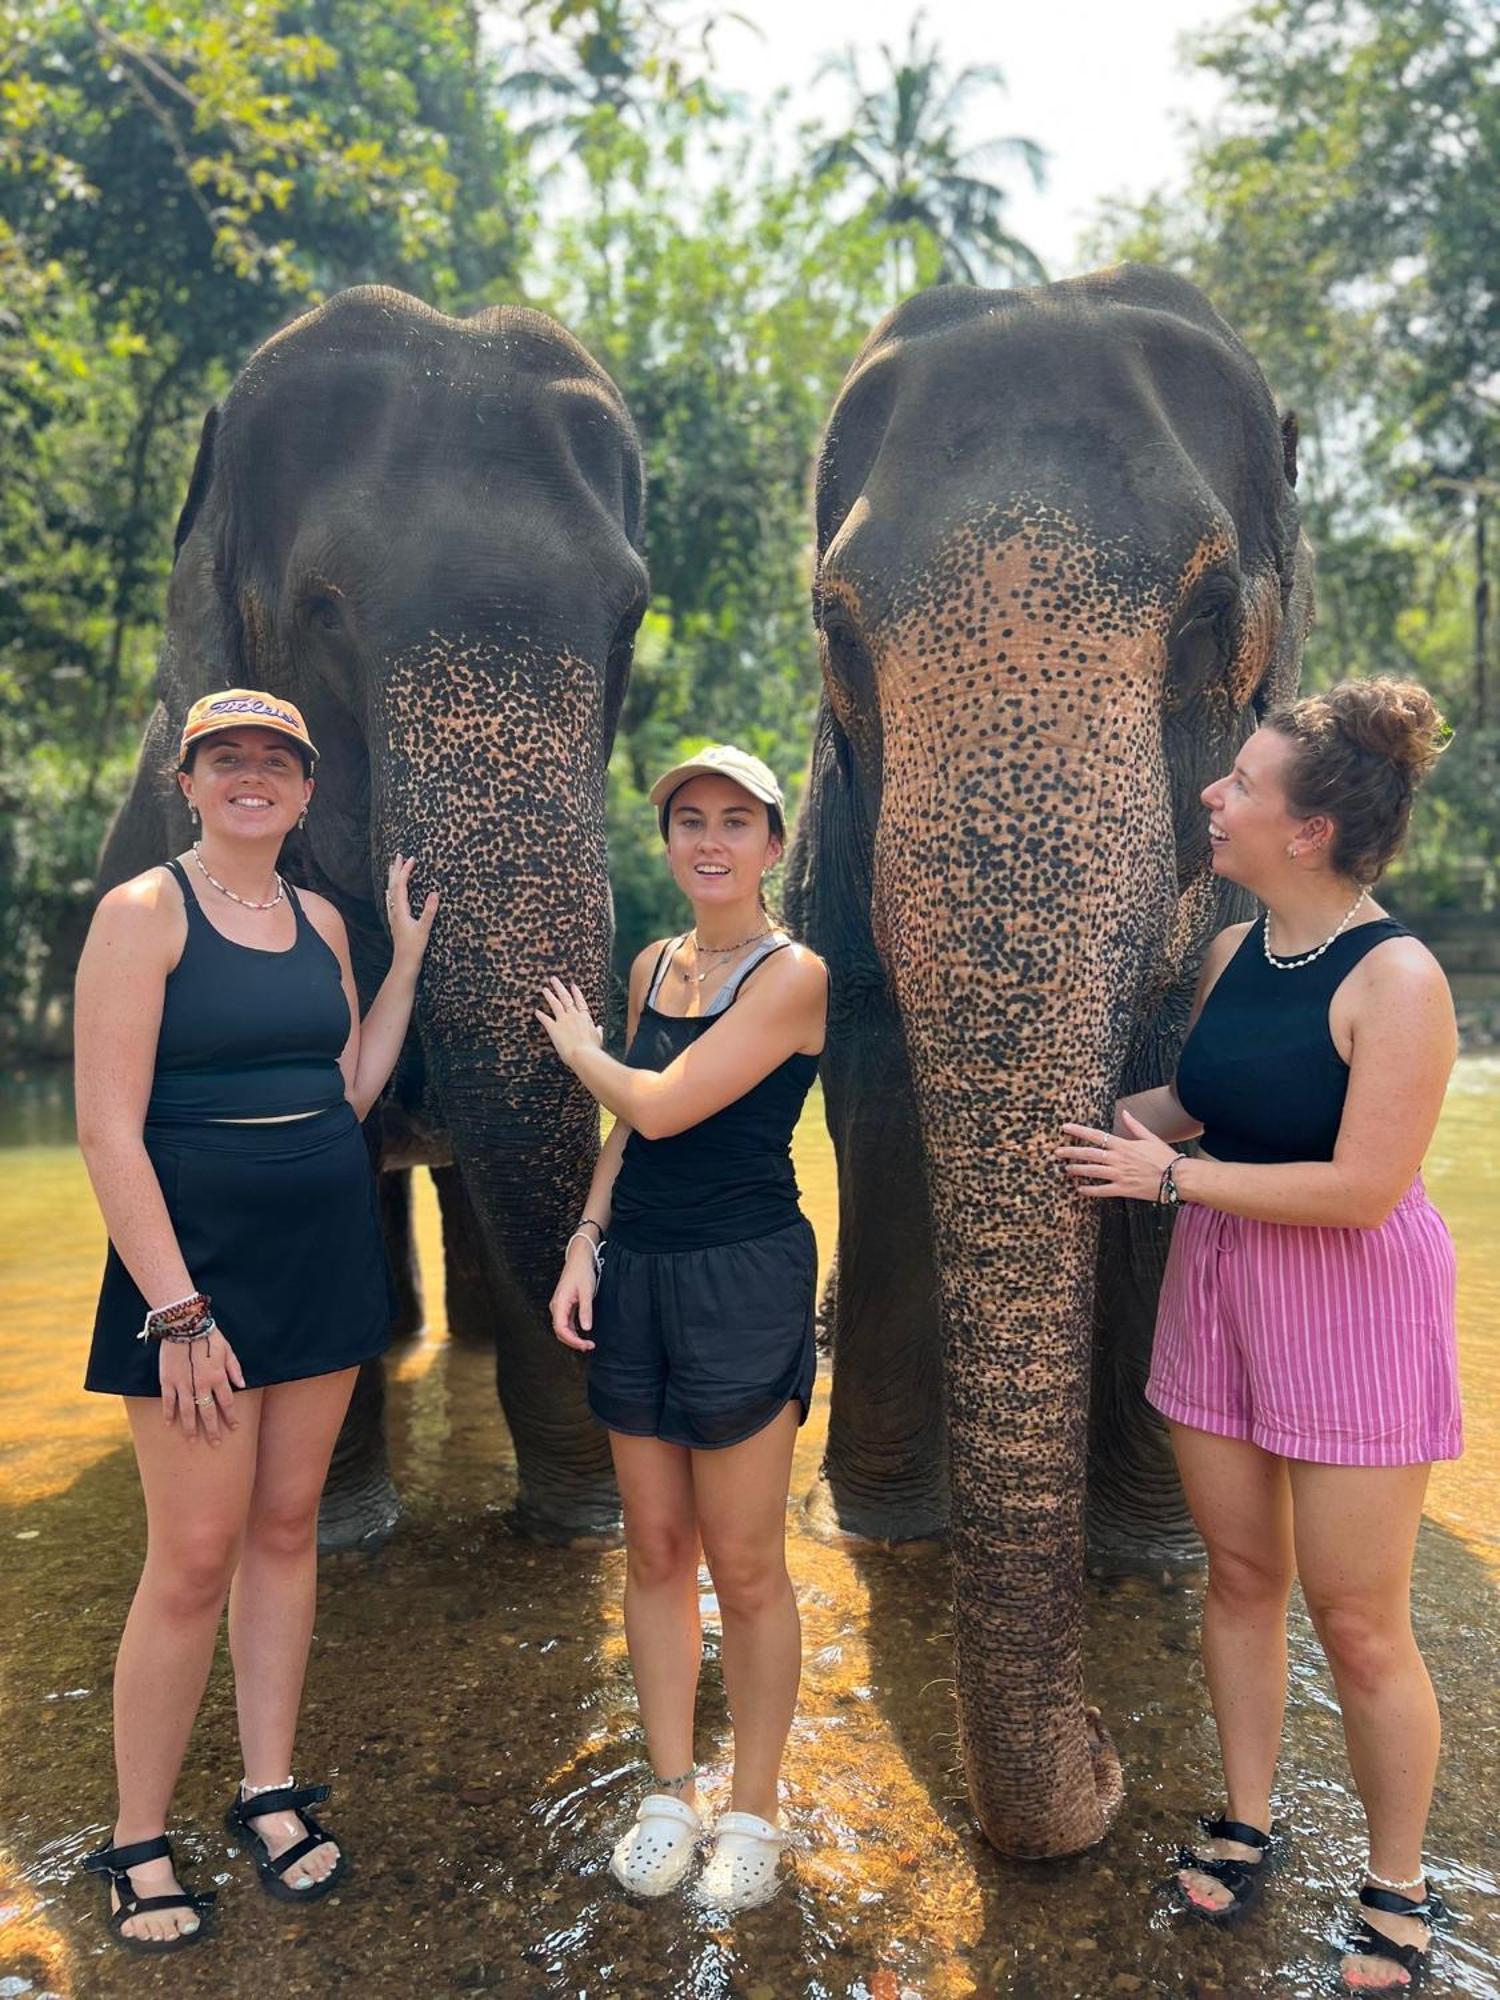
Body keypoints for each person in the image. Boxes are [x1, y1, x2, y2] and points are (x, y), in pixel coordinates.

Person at [1057, 678, 1459, 1993]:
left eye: (1241, 784)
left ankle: (1397, 1884)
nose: (1213, 798)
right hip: (1222, 1286)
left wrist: (1168, 1183)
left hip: (1347, 1304)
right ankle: (1249, 1816)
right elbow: (1198, 1099)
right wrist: (1095, 1123)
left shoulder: (1397, 979)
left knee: (1358, 1622)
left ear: (1313, 830)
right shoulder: (1236, 955)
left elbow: (1364, 1188)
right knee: (1237, 1577)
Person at [74, 688, 437, 1953]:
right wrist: (177, 1311)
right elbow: (107, 1126)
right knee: (188, 1558)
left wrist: (402, 959)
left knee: (287, 1526)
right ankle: (135, 1834)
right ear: (190, 781)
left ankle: (267, 1786)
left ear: (302, 789)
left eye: (272, 762)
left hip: (323, 1260)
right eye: (225, 758)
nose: (250, 778)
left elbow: (346, 1090)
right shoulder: (142, 914)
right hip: (197, 1282)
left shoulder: (317, 917)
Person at [536, 744, 827, 1912]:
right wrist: (585, 1237)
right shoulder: (655, 961)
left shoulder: (791, 974)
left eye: (734, 822)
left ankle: (752, 1804)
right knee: (654, 1545)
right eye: (688, 821)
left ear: (771, 843)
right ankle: (669, 1785)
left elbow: (658, 1097)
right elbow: (631, 1132)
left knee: (746, 1559)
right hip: (640, 1268)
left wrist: (578, 1050)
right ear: (667, 840)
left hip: (743, 1273)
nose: (708, 841)